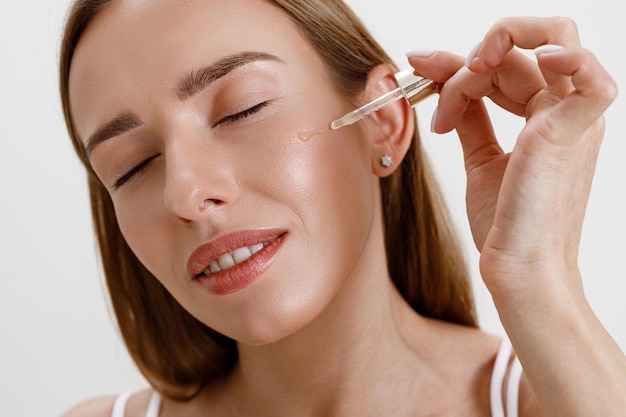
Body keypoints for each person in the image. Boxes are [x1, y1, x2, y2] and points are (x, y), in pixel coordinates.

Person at [59, 0, 626, 416]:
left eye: (242, 109)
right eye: (130, 167)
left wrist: (537, 276)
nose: (184, 193)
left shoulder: (549, 401)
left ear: (382, 122)